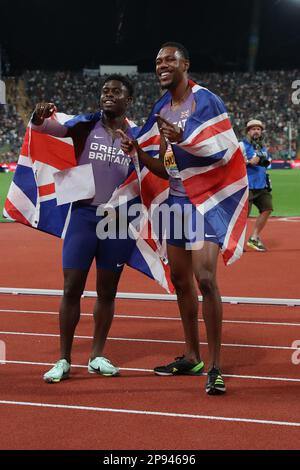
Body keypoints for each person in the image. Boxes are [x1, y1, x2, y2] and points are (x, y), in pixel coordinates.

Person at [118, 42, 248, 395]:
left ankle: (216, 366)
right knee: (180, 279)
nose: (161, 65)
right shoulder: (161, 107)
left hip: (204, 202)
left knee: (205, 278)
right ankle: (192, 356)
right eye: (157, 61)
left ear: (185, 64)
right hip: (175, 203)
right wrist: (140, 155)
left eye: (169, 60)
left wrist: (186, 138)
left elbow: (222, 149)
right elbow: (167, 166)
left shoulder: (206, 100)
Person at [30, 75, 138, 383]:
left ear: (127, 100)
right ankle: (63, 359)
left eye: (115, 91)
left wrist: (137, 152)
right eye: (105, 90)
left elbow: (150, 171)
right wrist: (39, 117)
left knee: (107, 290)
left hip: (117, 219)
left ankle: (97, 355)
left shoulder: (138, 134)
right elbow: (47, 128)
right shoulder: (84, 124)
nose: (108, 95)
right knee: (71, 287)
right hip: (83, 215)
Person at [240, 119, 273, 251]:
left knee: (267, 209)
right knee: (242, 217)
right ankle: (234, 242)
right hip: (246, 186)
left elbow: (266, 164)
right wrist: (248, 162)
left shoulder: (262, 147)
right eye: (253, 129)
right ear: (248, 132)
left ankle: (254, 238)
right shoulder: (241, 145)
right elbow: (232, 163)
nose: (256, 131)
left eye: (258, 129)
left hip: (262, 186)